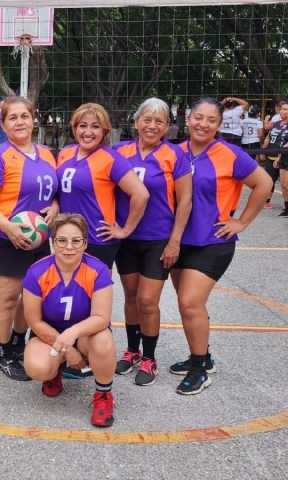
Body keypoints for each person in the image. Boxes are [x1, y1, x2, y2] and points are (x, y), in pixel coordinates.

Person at [170, 97, 272, 395]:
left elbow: (264, 183)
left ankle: (200, 369)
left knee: (190, 302)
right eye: (198, 117)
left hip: (212, 241)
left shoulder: (230, 154)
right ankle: (200, 356)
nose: (203, 124)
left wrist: (241, 221)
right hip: (178, 240)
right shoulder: (175, 152)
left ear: (218, 125)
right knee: (189, 305)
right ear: (188, 119)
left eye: (210, 120)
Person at [0, 96, 59, 382]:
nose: (19, 122)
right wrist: (8, 227)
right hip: (5, 237)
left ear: (33, 119)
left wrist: (56, 207)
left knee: (32, 296)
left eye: (24, 116)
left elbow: (53, 192)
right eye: (12, 117)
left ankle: (19, 343)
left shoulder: (47, 153)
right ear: (2, 123)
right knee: (8, 297)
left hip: (37, 239)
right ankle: (4, 354)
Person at [113, 98, 192, 386]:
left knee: (148, 300)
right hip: (125, 238)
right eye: (147, 119)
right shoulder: (119, 151)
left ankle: (149, 357)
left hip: (158, 239)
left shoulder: (173, 155)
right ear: (135, 122)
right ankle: (132, 351)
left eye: (159, 121)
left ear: (167, 127)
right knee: (131, 297)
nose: (152, 125)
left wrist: (175, 242)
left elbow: (185, 202)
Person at [22, 213, 116, 427]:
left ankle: (103, 395)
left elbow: (101, 318)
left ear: (85, 243)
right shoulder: (37, 272)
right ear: (53, 242)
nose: (69, 247)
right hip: (50, 336)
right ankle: (55, 371)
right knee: (38, 367)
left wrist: (72, 335)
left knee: (103, 340)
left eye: (76, 241)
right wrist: (68, 351)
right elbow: (34, 321)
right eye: (61, 240)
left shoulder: (98, 270)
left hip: (84, 335)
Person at [56, 103, 149, 271]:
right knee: (69, 291)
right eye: (82, 125)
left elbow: (141, 194)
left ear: (104, 131)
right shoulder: (65, 152)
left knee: (95, 294)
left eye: (95, 127)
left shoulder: (111, 158)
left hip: (96, 240)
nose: (88, 132)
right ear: (75, 128)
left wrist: (125, 230)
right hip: (67, 239)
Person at [260, 103, 288, 213]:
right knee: (270, 180)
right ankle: (267, 201)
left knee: (285, 183)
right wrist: (263, 150)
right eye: (281, 109)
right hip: (271, 155)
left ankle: (286, 205)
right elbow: (268, 137)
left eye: (285, 109)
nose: (282, 111)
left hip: (283, 156)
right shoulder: (276, 124)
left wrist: (279, 157)